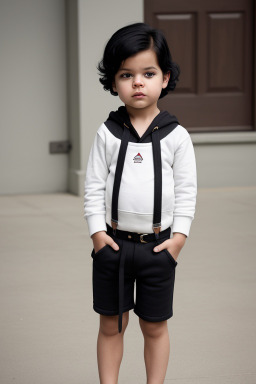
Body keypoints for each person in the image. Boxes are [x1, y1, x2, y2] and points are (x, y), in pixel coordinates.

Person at [84, 22, 197, 384]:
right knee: (111, 326)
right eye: (126, 74)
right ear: (113, 82)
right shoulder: (108, 132)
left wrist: (177, 240)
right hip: (113, 246)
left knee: (154, 327)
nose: (137, 82)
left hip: (157, 248)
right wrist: (97, 236)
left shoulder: (176, 136)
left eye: (148, 73)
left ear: (164, 78)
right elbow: (92, 187)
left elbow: (186, 191)